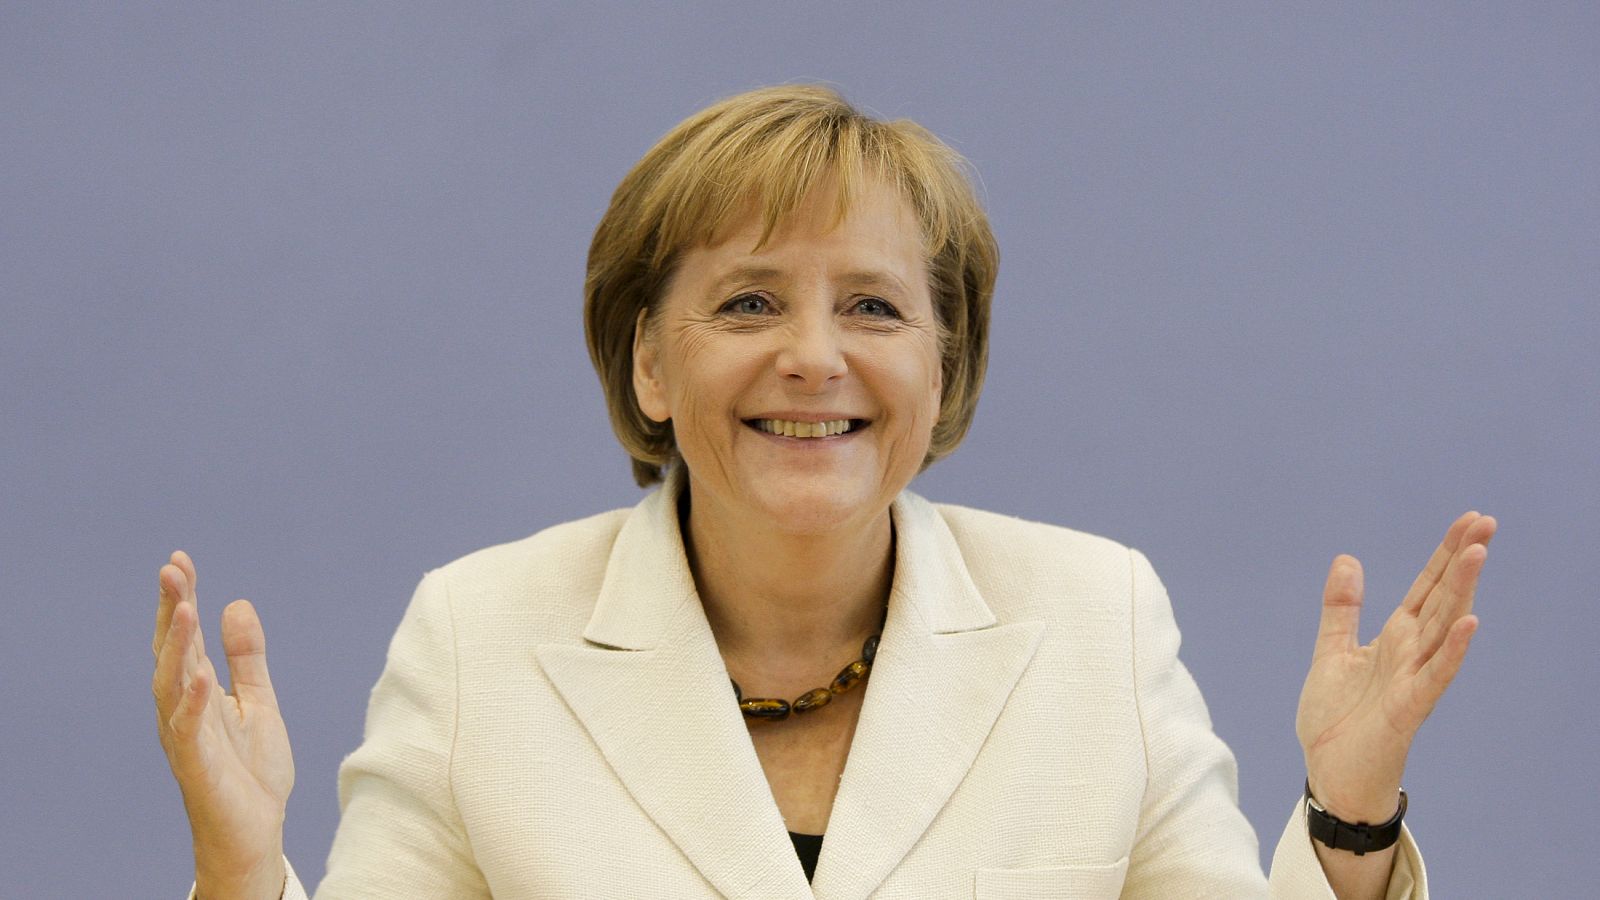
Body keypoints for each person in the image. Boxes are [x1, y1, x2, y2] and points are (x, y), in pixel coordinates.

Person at [150, 85, 1495, 899]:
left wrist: (1350, 814)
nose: (814, 356)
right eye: (747, 302)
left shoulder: (1100, 617)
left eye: (872, 304)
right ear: (650, 361)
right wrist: (236, 866)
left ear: (941, 361)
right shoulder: (479, 635)